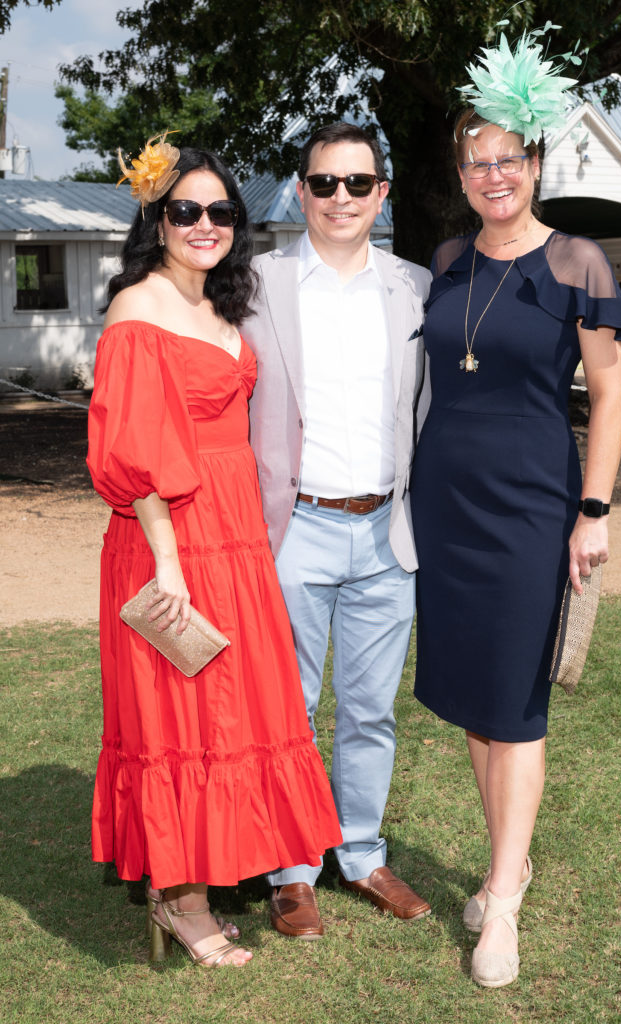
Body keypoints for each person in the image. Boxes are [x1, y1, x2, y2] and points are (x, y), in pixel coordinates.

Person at [410, 30, 621, 988]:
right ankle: (510, 859)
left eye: (508, 158)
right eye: (476, 161)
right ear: (461, 174)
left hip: (530, 508)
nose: (492, 174)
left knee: (516, 703)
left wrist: (591, 510)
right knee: (472, 699)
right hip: (444, 507)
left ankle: (501, 899)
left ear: (534, 161)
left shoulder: (577, 260)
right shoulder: (449, 259)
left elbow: (609, 390)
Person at [87, 137, 342, 968]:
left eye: (220, 211)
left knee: (230, 711)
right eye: (185, 210)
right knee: (177, 713)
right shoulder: (138, 307)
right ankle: (181, 903)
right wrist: (166, 560)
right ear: (156, 219)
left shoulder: (220, 307)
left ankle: (200, 882)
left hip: (235, 538)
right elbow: (132, 447)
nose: (205, 224)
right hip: (169, 537)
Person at [243, 122, 432, 939]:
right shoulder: (255, 284)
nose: (341, 199)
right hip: (294, 531)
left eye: (358, 184)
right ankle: (291, 868)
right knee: (287, 708)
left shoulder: (418, 288)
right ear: (300, 190)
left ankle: (359, 852)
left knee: (369, 710)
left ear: (380, 193)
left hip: (387, 532)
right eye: (325, 183)